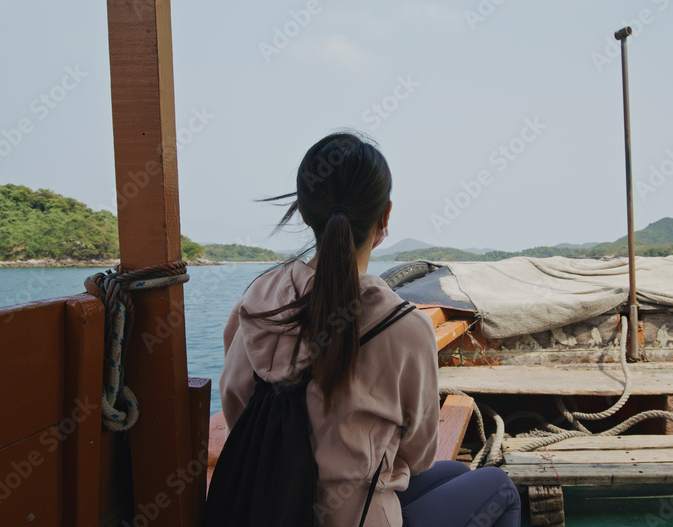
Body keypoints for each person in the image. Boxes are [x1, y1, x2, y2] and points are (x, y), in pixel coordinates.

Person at [219, 132, 521, 526]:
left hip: (270, 502)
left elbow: (234, 401)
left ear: (305, 213)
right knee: (500, 487)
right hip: (355, 518)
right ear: (385, 217)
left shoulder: (256, 302)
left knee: (457, 475)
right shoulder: (405, 327)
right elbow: (418, 453)